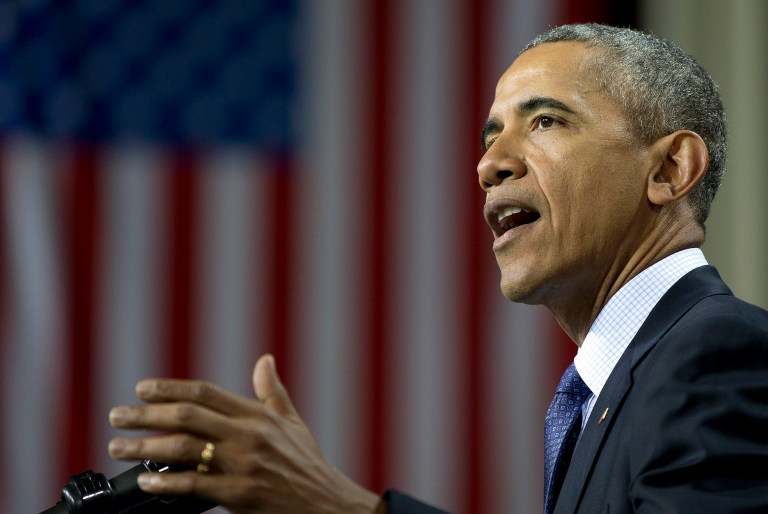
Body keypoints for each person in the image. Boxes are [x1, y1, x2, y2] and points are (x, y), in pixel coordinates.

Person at [108, 23, 768, 513]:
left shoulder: (713, 353)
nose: (490, 166)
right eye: (490, 137)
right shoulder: (616, 388)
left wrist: (338, 506)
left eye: (544, 122)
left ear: (669, 170)